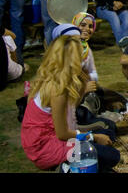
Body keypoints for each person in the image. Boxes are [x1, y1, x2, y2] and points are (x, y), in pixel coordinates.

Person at [21, 35, 120, 172]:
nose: (84, 59)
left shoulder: (53, 78)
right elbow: (62, 134)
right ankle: (65, 166)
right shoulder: (57, 89)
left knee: (107, 131)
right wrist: (93, 137)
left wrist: (81, 88)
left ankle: (74, 159)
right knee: (112, 156)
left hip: (49, 136)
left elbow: (71, 111)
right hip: (45, 146)